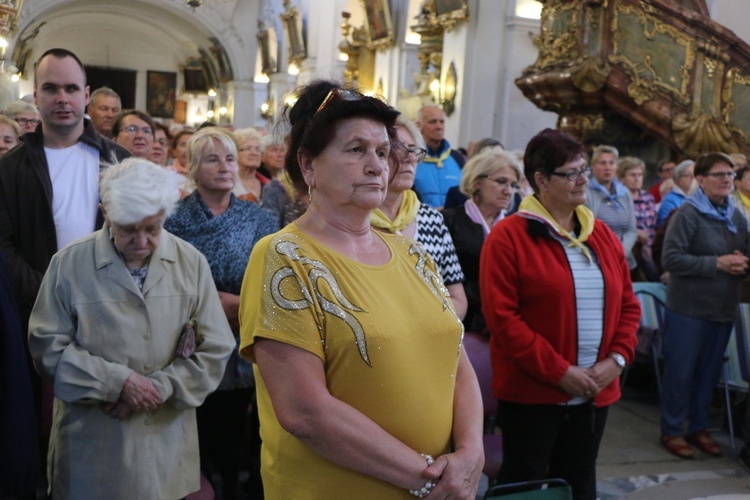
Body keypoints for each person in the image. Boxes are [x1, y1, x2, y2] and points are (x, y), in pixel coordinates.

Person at [239, 81, 484, 499]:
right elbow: (306, 412)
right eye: (356, 150)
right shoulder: (284, 257)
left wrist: (471, 453)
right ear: (309, 165)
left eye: (383, 152)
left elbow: (456, 362)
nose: (377, 166)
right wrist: (427, 477)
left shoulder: (412, 255)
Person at [27, 158, 235, 499]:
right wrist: (117, 382)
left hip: (165, 442)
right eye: (128, 229)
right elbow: (47, 346)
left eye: (152, 229)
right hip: (94, 446)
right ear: (105, 213)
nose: (141, 241)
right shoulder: (69, 264)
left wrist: (160, 387)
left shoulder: (190, 261)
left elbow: (215, 346)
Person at [480, 128, 639, 500]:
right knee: (527, 484)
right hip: (532, 395)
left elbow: (629, 306)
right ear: (540, 180)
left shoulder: (600, 235)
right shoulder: (509, 237)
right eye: (571, 173)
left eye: (583, 169)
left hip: (595, 393)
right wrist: (560, 373)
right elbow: (504, 321)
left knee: (580, 482)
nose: (583, 179)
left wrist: (616, 361)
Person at [164, 127, 278, 499]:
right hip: (187, 337)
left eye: (230, 158)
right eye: (213, 159)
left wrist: (240, 305)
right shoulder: (174, 218)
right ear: (192, 168)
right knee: (196, 434)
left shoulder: (259, 219)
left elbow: (271, 281)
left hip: (243, 335)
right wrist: (214, 303)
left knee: (236, 435)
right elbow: (167, 279)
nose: (225, 166)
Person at [659, 152, 750, 460]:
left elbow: (744, 255)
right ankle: (671, 430)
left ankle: (698, 427)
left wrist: (742, 264)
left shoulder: (736, 216)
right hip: (688, 308)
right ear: (700, 180)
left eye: (731, 175)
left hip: (722, 307)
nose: (727, 180)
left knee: (709, 374)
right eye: (720, 175)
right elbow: (671, 259)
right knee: (681, 372)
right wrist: (718, 263)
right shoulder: (688, 213)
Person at [371, 115, 468, 320]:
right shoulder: (355, 220)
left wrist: (426, 325)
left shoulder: (432, 219)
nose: (409, 157)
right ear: (377, 155)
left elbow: (458, 298)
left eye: (413, 149)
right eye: (398, 148)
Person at [442, 149, 521, 334]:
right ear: (477, 182)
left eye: (513, 185)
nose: (508, 191)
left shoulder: (517, 227)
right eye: (501, 181)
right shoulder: (447, 221)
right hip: (461, 324)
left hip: (505, 327)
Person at [586, 145, 638, 270]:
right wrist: (607, 254)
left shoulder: (624, 193)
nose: (607, 167)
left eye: (611, 163)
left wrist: (621, 251)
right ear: (592, 167)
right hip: (596, 259)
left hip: (622, 259)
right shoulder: (586, 192)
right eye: (602, 163)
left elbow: (632, 229)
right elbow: (588, 229)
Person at [412, 104, 465, 208]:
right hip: (422, 220)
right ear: (419, 126)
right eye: (432, 122)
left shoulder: (456, 158)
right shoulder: (412, 157)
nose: (439, 127)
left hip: (453, 223)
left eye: (442, 122)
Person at [618, 156, 657, 280]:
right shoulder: (616, 199)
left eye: (640, 175)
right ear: (621, 178)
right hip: (629, 249)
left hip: (651, 247)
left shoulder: (648, 197)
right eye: (632, 175)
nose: (637, 179)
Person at [233, 127, 269, 203]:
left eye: (258, 149)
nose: (254, 153)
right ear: (235, 153)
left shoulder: (269, 185)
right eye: (248, 149)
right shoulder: (227, 183)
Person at [656, 159, 695, 229]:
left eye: (695, 175)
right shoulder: (669, 199)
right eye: (689, 175)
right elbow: (666, 226)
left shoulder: (699, 196)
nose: (693, 178)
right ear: (678, 179)